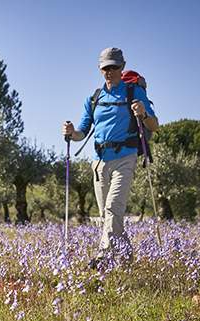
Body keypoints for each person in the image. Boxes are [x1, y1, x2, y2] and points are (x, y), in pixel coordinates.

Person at [63, 47, 159, 267]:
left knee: (113, 208)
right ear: (100, 69)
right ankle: (126, 255)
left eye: (114, 67)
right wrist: (71, 133)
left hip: (126, 157)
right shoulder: (94, 98)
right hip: (99, 162)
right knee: (108, 216)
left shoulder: (133, 93)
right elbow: (82, 132)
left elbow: (155, 125)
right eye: (106, 67)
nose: (110, 71)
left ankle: (102, 256)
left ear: (122, 67)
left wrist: (143, 113)